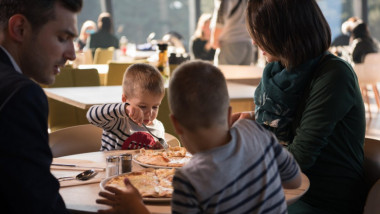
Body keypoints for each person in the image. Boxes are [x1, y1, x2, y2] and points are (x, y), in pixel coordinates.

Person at [96, 60, 302, 213]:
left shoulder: (189, 181)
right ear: (229, 114)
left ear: (176, 124)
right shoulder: (257, 132)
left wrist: (137, 209)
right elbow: (294, 181)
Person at [232, 0, 368, 213]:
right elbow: (292, 122)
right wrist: (253, 120)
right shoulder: (278, 72)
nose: (253, 43)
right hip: (283, 189)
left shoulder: (334, 74)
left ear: (285, 31)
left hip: (320, 201)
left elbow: (299, 158)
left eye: (260, 33)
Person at [0, 0, 82, 213]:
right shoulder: (21, 95)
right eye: (63, 38)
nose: (71, 55)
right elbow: (38, 204)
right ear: (20, 28)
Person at [87, 63, 167, 151]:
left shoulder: (158, 128)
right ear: (125, 99)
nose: (149, 113)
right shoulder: (117, 121)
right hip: (111, 164)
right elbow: (91, 115)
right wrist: (124, 109)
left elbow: (164, 149)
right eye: (143, 106)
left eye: (155, 107)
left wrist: (162, 149)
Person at [210, 0, 256, 65]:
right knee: (245, 74)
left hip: (230, 44)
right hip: (248, 43)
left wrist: (214, 39)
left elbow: (221, 19)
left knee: (224, 74)